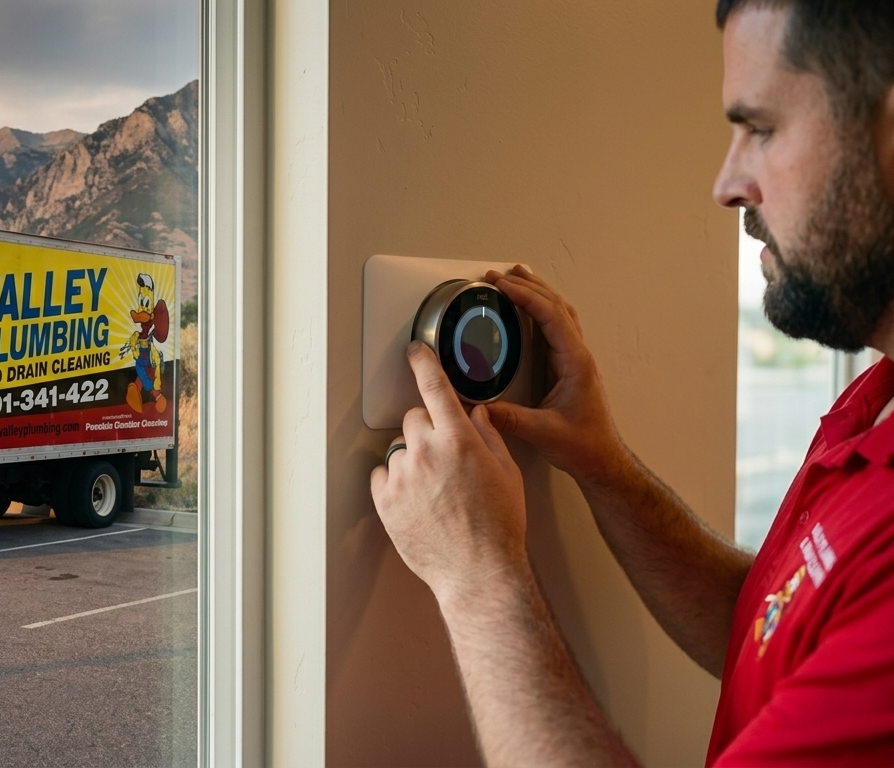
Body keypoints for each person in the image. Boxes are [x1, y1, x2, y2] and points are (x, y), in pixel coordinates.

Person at [370, 1, 894, 764]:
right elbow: (773, 629)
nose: (726, 183)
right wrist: (602, 464)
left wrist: (480, 579)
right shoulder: (872, 403)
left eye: (762, 129)